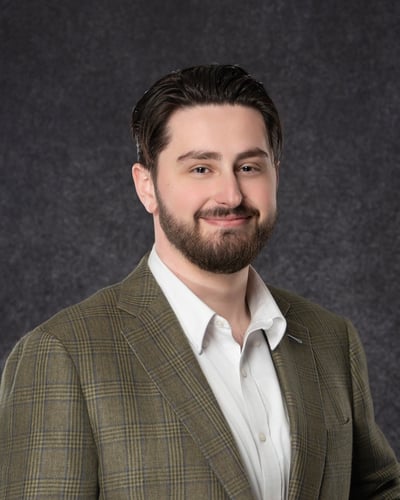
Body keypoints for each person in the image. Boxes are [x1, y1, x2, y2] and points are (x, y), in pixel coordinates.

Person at [0, 65, 398, 500]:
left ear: (275, 175)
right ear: (146, 186)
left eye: (249, 166)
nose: (231, 195)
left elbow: (379, 489)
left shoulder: (330, 339)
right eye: (201, 169)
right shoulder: (63, 356)